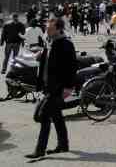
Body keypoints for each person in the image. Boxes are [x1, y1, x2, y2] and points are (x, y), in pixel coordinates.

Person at [25, 18, 77, 159]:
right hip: (48, 86)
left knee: (42, 116)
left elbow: (72, 67)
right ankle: (63, 145)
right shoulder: (50, 42)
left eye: (50, 28)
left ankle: (40, 150)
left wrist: (69, 87)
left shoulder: (66, 44)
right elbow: (48, 62)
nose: (47, 30)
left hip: (58, 87)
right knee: (56, 115)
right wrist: (41, 56)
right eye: (47, 28)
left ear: (59, 29)